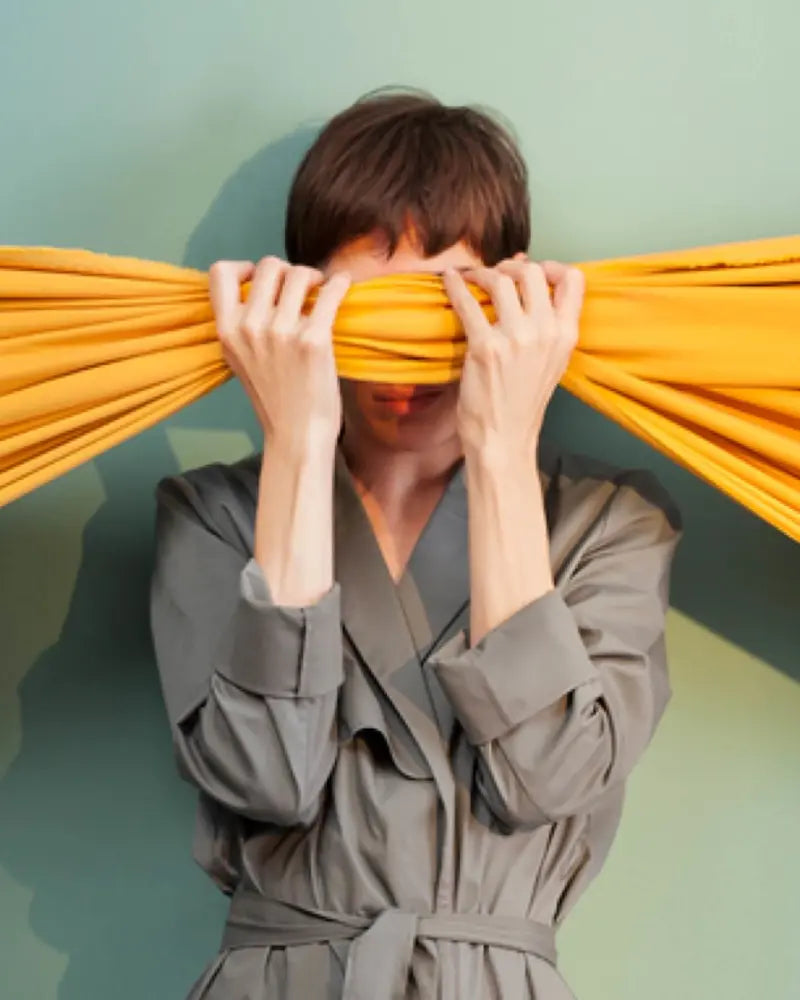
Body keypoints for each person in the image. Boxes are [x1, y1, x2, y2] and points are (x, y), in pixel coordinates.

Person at [150, 89, 682, 1000]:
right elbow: (265, 779)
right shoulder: (214, 516)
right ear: (306, 306)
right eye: (372, 311)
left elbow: (547, 777)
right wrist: (296, 438)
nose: (406, 363)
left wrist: (505, 446)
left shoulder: (610, 524)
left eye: (447, 305)